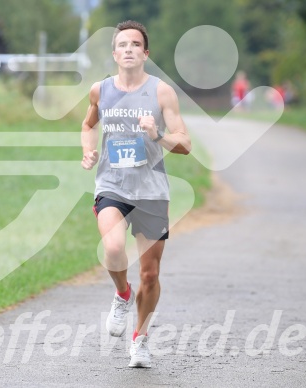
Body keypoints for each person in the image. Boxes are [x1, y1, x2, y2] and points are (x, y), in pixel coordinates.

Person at [80, 20, 191, 368]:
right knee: (113, 248)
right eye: (122, 44)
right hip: (112, 185)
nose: (128, 49)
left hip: (152, 192)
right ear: (114, 53)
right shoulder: (100, 90)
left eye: (135, 44)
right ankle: (121, 294)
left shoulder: (161, 92)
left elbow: (184, 143)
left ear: (146, 53)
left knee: (150, 274)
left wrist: (157, 133)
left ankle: (139, 339)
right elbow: (88, 124)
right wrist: (89, 150)